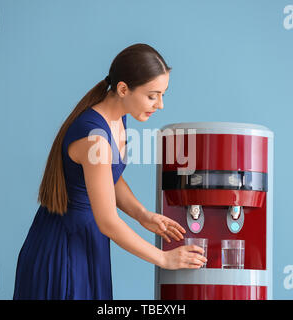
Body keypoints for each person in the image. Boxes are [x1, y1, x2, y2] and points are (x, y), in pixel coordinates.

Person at [13, 43, 207, 300]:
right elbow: (108, 221)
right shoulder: (95, 139)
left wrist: (142, 214)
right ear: (123, 89)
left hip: (88, 241)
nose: (160, 104)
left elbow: (109, 178)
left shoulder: (118, 117)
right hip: (64, 247)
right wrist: (163, 258)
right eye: (152, 95)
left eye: (163, 94)